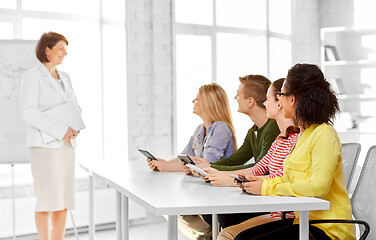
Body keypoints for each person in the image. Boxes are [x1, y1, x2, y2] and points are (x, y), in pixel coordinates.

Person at [233, 63, 355, 240]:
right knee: (241, 237)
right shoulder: (304, 134)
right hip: (305, 223)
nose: (280, 100)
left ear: (293, 99)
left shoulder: (324, 134)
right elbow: (292, 180)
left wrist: (266, 187)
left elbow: (318, 187)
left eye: (281, 95)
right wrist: (259, 181)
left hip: (328, 230)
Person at [186, 79, 299, 238]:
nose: (265, 103)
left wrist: (229, 179)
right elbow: (257, 168)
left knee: (225, 224)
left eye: (268, 100)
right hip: (273, 206)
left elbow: (281, 177)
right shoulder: (279, 139)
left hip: (283, 212)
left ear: (280, 103)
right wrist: (217, 172)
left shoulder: (293, 138)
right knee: (224, 217)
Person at [20, 32, 81, 240]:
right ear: (47, 50)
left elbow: (74, 106)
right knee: (47, 199)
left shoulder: (66, 77)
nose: (65, 53)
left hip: (66, 147)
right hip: (43, 147)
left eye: (65, 48)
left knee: (63, 200)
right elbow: (28, 112)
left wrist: (74, 126)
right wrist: (60, 130)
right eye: (61, 48)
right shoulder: (32, 75)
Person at [191, 75, 280, 173]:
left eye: (238, 94)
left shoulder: (273, 127)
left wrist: (211, 168)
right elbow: (235, 160)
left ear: (250, 101)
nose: (235, 98)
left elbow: (259, 167)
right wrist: (208, 167)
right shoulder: (253, 131)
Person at [148, 83, 237, 172]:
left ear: (208, 104)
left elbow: (207, 165)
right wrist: (162, 164)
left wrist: (168, 167)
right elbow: (184, 157)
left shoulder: (221, 128)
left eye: (197, 99)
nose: (193, 101)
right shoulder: (200, 129)